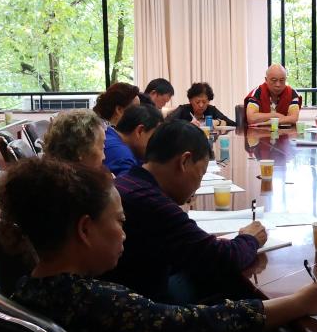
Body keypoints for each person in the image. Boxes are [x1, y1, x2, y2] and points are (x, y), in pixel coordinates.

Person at [2, 158, 317, 332]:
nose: (124, 233)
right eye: (119, 221)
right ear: (85, 230)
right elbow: (196, 326)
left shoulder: (29, 288)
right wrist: (298, 303)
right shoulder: (100, 304)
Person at [105, 121, 268, 302]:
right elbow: (224, 258)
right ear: (184, 161)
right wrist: (251, 238)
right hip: (147, 303)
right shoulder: (153, 203)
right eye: (201, 174)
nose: (198, 185)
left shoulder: (128, 181)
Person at [104, 104, 163, 176]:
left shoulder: (107, 133)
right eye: (155, 137)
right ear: (140, 131)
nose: (157, 145)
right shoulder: (124, 158)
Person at [43, 109, 108, 171]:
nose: (104, 157)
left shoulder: (44, 175)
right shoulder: (94, 177)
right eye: (102, 148)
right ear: (81, 151)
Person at [167, 82, 236, 127]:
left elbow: (233, 124)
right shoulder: (183, 110)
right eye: (197, 102)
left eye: (204, 102)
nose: (201, 105)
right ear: (190, 101)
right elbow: (166, 124)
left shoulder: (211, 110)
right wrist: (187, 125)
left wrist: (218, 122)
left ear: (208, 101)